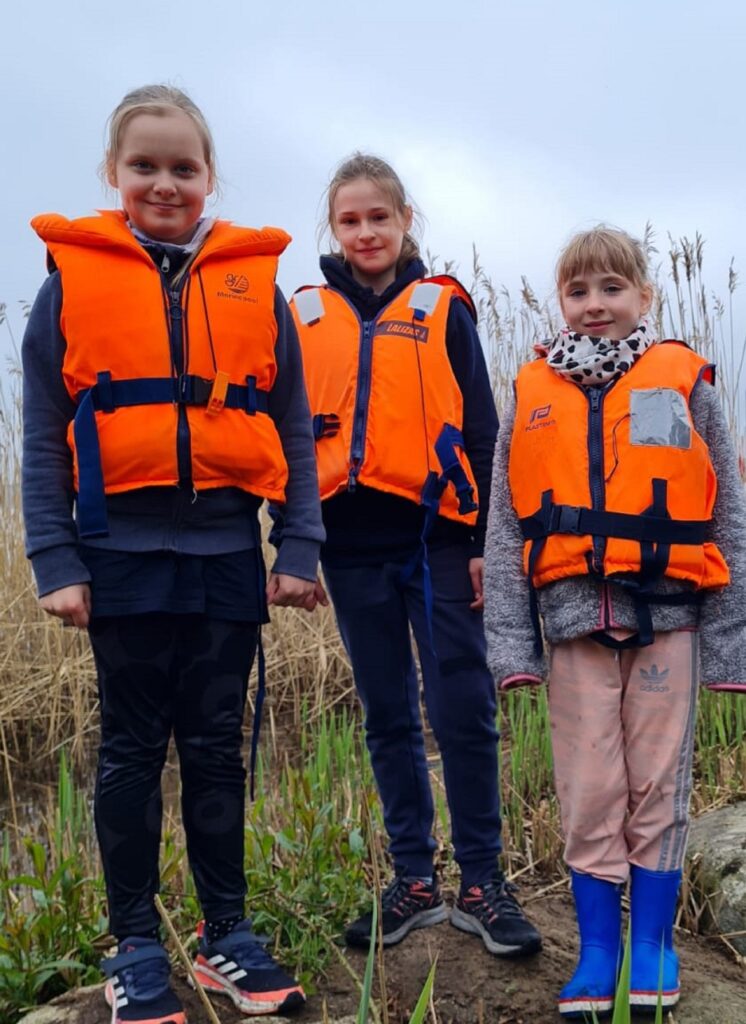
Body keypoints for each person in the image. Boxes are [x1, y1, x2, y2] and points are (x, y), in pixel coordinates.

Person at [22, 84, 325, 1024]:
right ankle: (134, 942)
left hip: (228, 556)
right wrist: (53, 559)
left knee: (216, 753)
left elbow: (292, 431)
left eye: (183, 167)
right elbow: (40, 435)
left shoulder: (255, 289)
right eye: (144, 166)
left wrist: (299, 543)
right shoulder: (69, 285)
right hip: (119, 558)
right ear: (113, 175)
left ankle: (226, 934)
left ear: (209, 177)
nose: (164, 182)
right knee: (127, 753)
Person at [483, 225, 746, 1017]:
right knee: (591, 787)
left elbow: (727, 511)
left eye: (611, 289)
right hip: (570, 627)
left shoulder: (686, 383)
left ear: (644, 297)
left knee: (658, 788)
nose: (594, 305)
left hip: (671, 620)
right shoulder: (530, 390)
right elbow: (503, 528)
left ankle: (655, 942)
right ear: (561, 300)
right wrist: (509, 643)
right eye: (578, 291)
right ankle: (600, 949)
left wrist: (732, 642)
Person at [287, 152, 541, 958]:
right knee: (387, 715)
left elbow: (483, 431)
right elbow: (282, 438)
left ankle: (481, 881)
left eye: (379, 218)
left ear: (405, 223)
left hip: (437, 543)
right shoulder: (303, 315)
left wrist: (478, 545)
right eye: (350, 219)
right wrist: (291, 539)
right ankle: (414, 881)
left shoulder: (444, 310)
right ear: (334, 228)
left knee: (462, 709)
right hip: (348, 550)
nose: (365, 232)